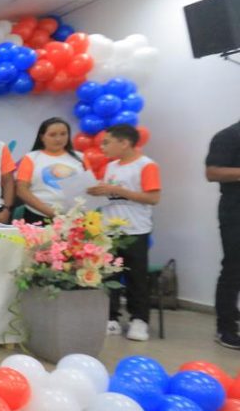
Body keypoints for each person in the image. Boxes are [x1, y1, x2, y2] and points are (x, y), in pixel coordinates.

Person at [89, 125, 161, 342]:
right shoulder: (111, 167)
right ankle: (110, 318)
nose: (103, 147)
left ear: (125, 143)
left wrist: (118, 191)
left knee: (136, 277)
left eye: (107, 142)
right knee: (108, 275)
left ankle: (139, 320)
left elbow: (153, 198)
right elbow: (108, 196)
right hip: (110, 230)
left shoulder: (146, 165)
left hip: (135, 230)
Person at [207, 119, 240, 350]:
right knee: (234, 267)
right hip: (235, 210)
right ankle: (225, 327)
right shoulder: (227, 136)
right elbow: (212, 172)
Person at [16, 117, 88, 225]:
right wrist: (53, 214)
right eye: (53, 135)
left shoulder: (81, 158)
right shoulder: (30, 158)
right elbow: (22, 190)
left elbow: (89, 187)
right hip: (39, 216)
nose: (59, 139)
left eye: (63, 134)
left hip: (75, 218)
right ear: (42, 137)